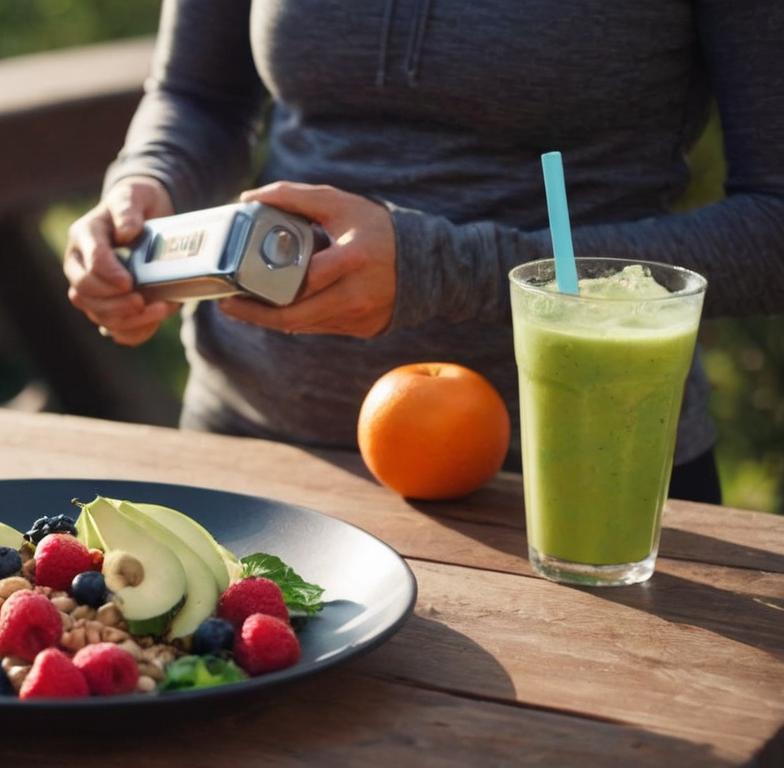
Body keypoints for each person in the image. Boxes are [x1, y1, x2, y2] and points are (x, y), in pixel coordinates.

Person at [63, 0, 783, 505]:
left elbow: (773, 226)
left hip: (573, 490)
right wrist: (147, 182)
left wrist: (445, 269)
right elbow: (199, 95)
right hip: (252, 446)